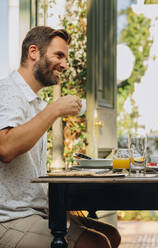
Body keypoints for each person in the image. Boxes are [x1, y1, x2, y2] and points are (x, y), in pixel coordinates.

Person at [0, 26, 121, 248]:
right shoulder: (9, 92)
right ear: (34, 52)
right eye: (59, 55)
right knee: (97, 244)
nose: (64, 65)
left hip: (36, 211)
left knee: (111, 235)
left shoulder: (34, 102)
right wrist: (55, 109)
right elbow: (5, 148)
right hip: (9, 219)